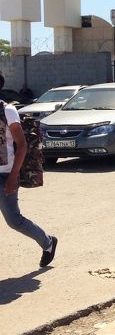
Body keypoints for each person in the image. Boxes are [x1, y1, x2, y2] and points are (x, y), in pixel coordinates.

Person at [0, 73, 57, 267]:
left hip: (5, 174)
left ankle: (48, 242)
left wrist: (13, 177)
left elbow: (22, 145)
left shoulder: (7, 111)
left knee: (14, 220)